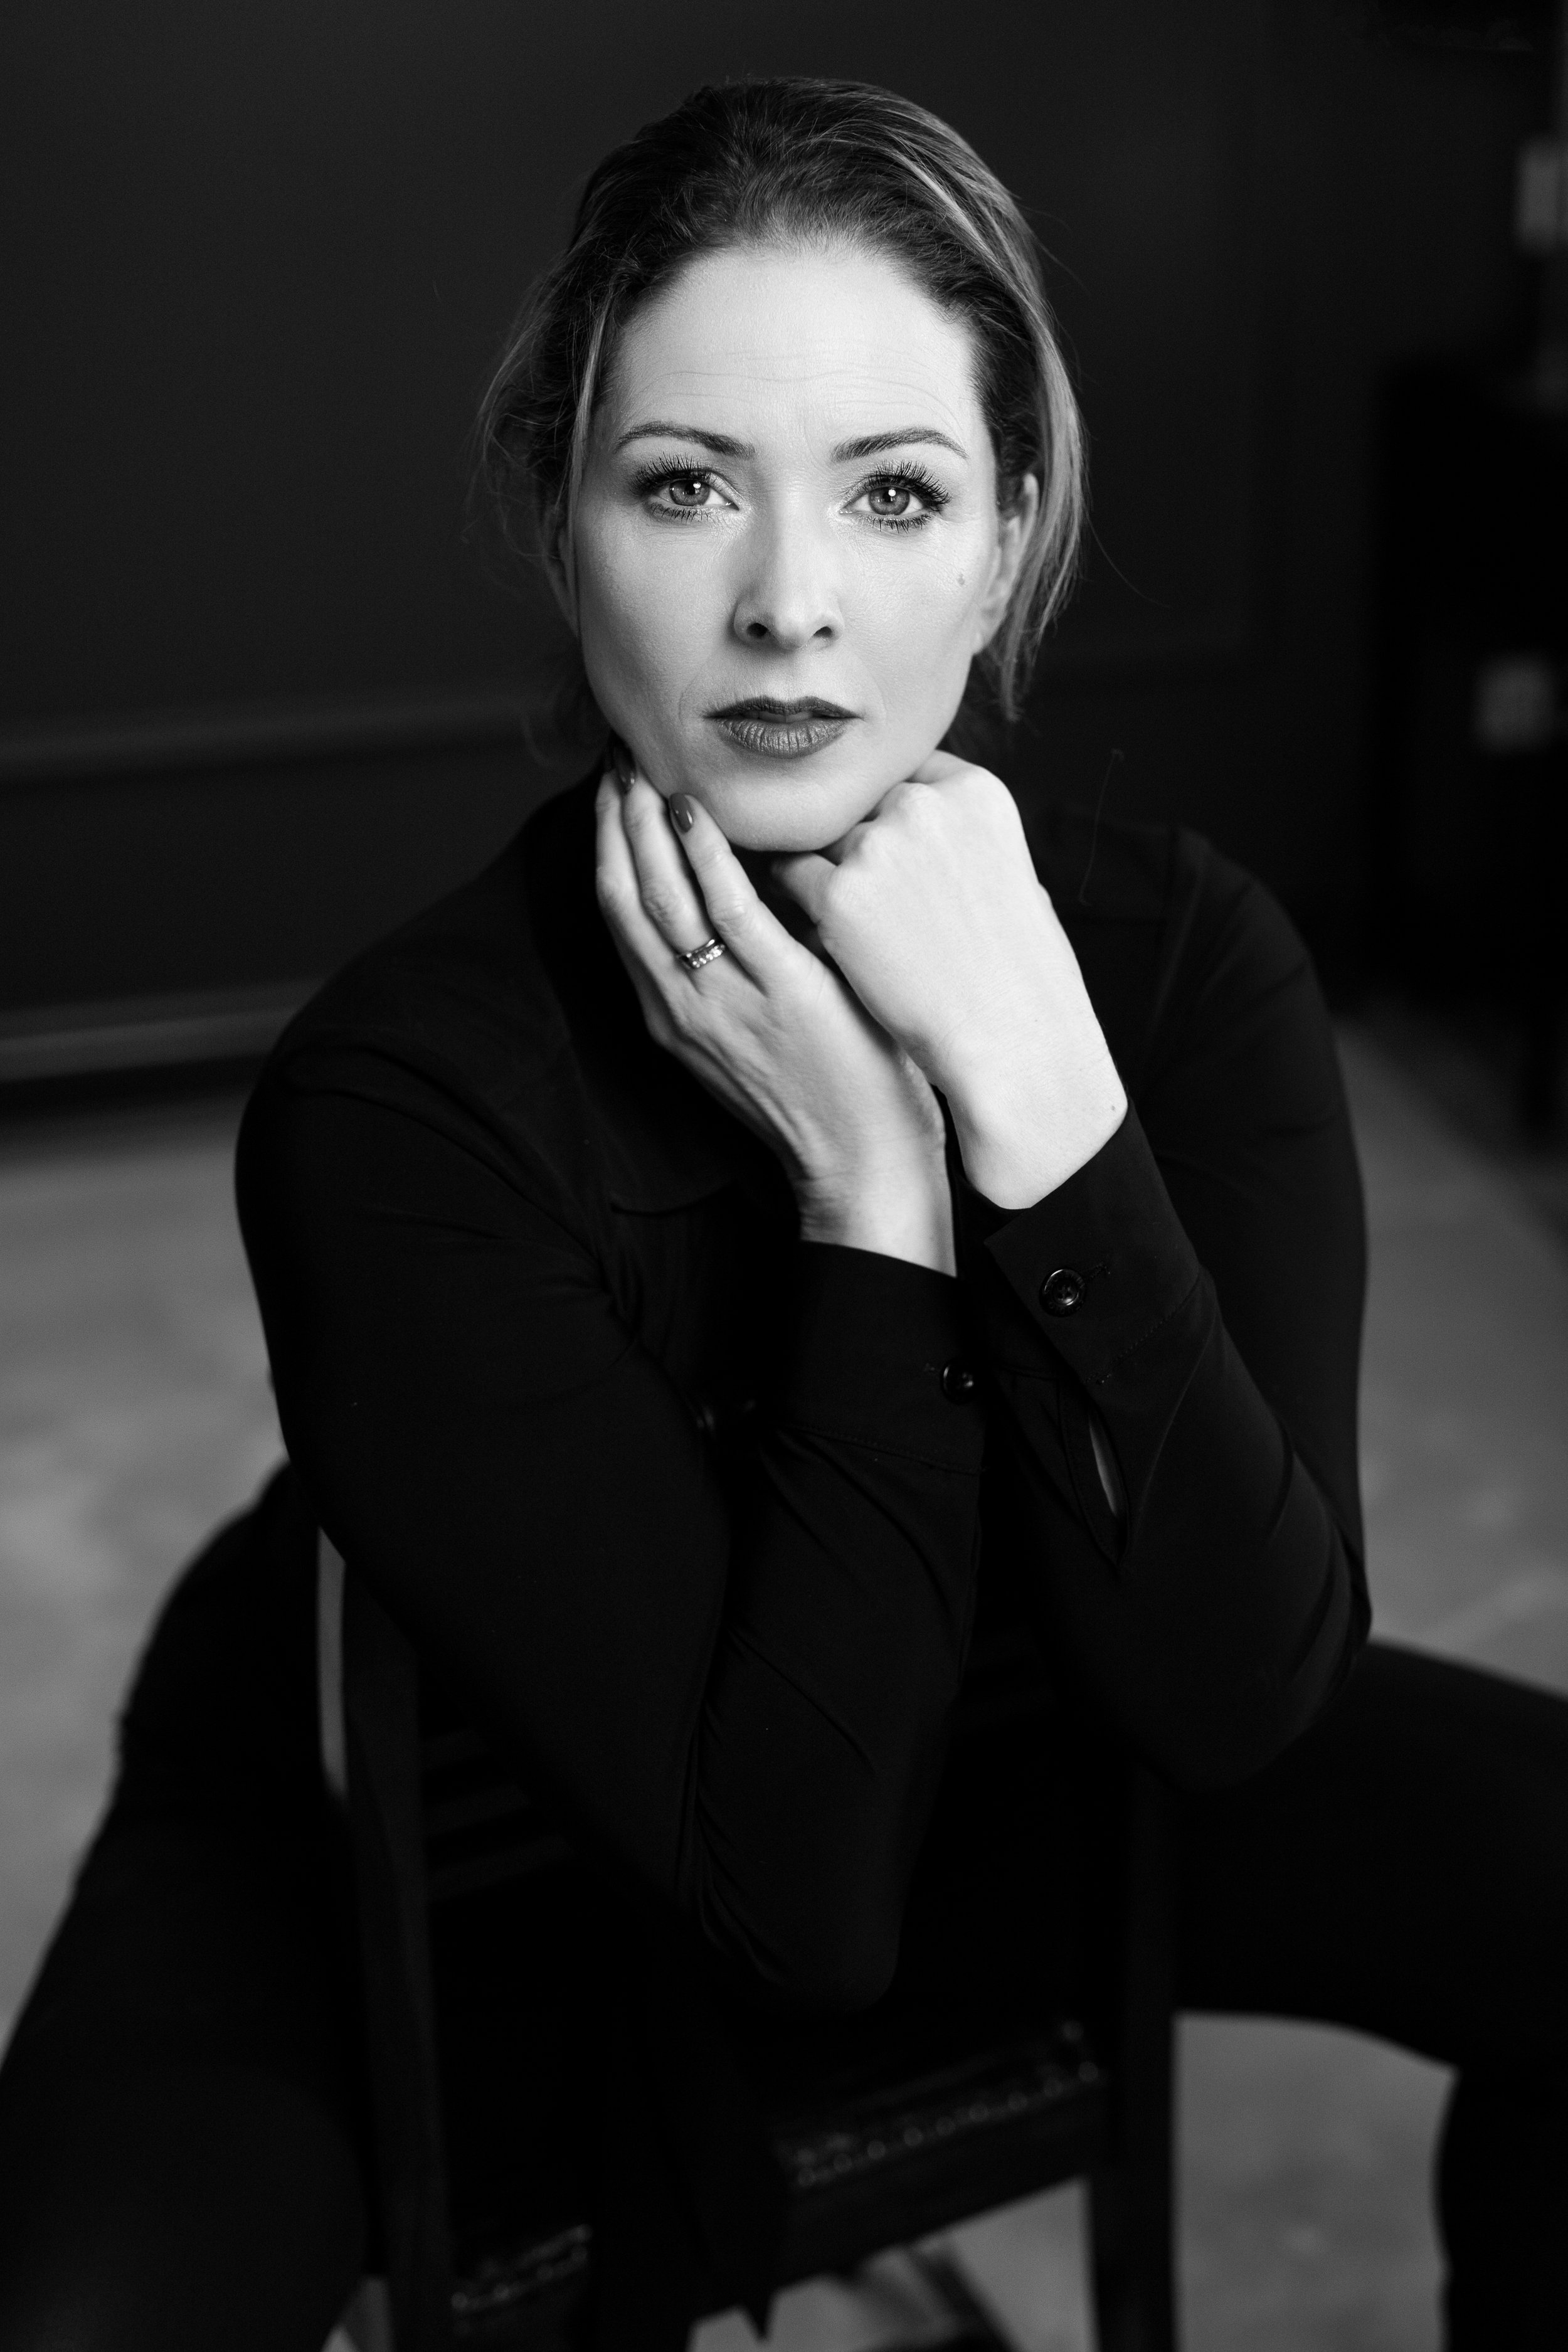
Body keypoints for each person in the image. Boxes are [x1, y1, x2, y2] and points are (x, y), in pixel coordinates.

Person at [1, 73, 1564, 2352]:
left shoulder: (1178, 959)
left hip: (1024, 1729)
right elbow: (796, 1899)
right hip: (448, 1789)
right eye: (682, 487)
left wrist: (1029, 1100)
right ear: (564, 525)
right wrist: (863, 1190)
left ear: (1011, 538)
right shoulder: (399, 1100)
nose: (786, 604)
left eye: (895, 492)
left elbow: (1241, 1695)